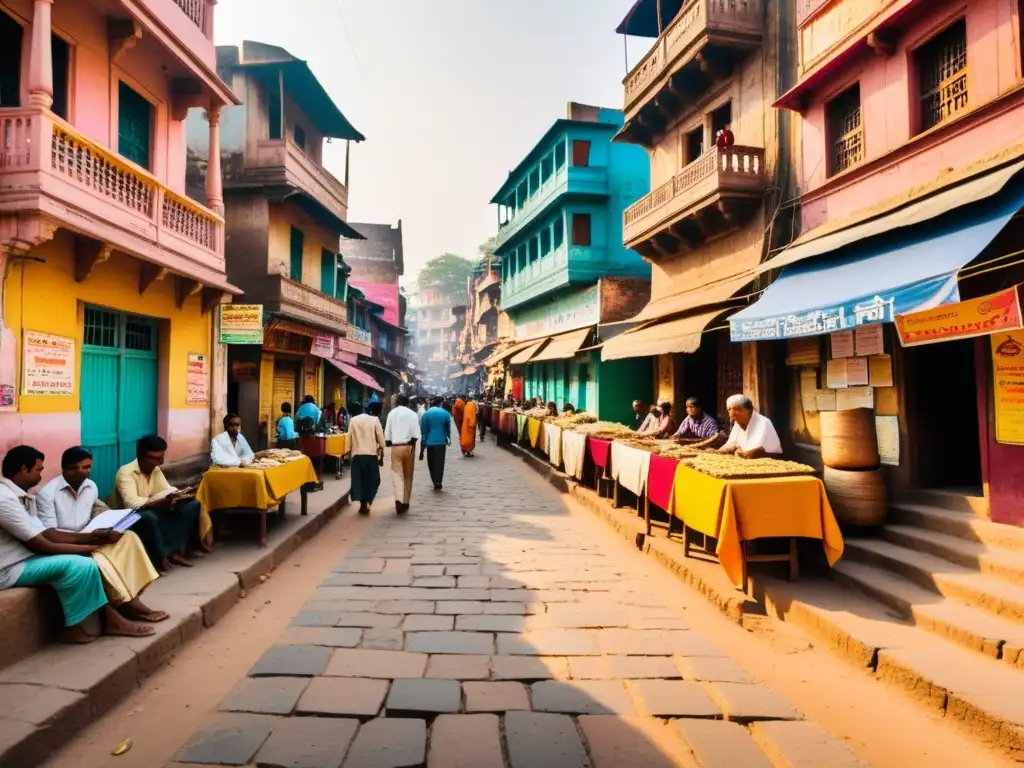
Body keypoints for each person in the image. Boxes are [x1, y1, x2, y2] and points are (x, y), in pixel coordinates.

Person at [1, 446, 161, 643]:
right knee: (83, 565)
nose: (41, 476)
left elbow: (41, 534)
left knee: (125, 539)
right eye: (38, 470)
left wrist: (92, 537)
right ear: (24, 469)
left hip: (28, 555)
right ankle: (81, 626)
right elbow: (42, 543)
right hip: (9, 568)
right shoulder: (5, 499)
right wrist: (89, 548)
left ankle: (126, 604)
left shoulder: (23, 495)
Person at [36, 446, 168, 622]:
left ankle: (133, 595)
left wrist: (109, 527)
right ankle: (127, 604)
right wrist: (90, 537)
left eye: (87, 467)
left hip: (90, 534)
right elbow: (50, 534)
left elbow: (94, 511)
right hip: (66, 542)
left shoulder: (91, 486)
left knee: (130, 538)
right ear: (64, 468)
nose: (82, 473)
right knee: (102, 559)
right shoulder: (47, 494)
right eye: (75, 468)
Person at [110, 435, 204, 571]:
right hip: (128, 517)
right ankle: (161, 557)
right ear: (141, 456)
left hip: (152, 509)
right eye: (155, 458)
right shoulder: (126, 473)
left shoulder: (155, 470)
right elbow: (132, 503)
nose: (159, 463)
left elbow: (165, 489)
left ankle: (172, 551)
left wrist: (178, 495)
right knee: (148, 516)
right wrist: (155, 502)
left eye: (161, 458)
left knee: (192, 506)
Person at [384, 394, 421, 514]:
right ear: (407, 403)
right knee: (408, 475)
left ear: (397, 403)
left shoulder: (391, 413)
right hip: (408, 446)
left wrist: (390, 442)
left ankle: (398, 498)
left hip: (396, 447)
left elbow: (387, 434)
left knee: (397, 473)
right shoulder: (412, 414)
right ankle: (406, 501)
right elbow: (416, 435)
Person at [348, 401, 386, 514]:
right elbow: (381, 439)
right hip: (371, 455)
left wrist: (346, 453)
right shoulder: (374, 420)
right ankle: (368, 500)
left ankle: (363, 503)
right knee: (373, 480)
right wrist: (381, 447)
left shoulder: (353, 421)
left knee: (359, 480)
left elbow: (348, 438)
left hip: (357, 455)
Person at [718, 394, 783, 459]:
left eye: (737, 409)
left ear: (750, 411)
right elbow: (732, 443)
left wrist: (742, 452)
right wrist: (718, 452)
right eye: (729, 409)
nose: (732, 413)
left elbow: (771, 452)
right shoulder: (737, 423)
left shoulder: (763, 423)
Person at [420, 397, 453, 490]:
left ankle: (434, 480)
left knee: (431, 462)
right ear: (440, 404)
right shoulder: (445, 413)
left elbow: (423, 431)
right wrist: (449, 438)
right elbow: (448, 428)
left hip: (430, 442)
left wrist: (422, 447)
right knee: (440, 462)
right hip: (441, 442)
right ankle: (438, 481)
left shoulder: (426, 414)